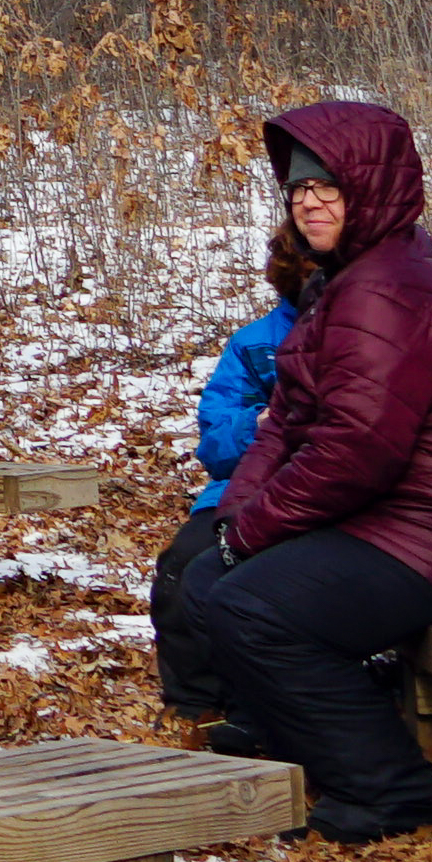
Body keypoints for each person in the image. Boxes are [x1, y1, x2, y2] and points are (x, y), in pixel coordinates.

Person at [206, 97, 432, 843]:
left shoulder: (383, 289)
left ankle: (389, 793)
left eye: (328, 186)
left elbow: (357, 451)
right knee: (213, 572)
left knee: (255, 606)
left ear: (370, 188)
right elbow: (290, 422)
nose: (309, 202)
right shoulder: (350, 276)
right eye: (299, 188)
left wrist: (253, 531)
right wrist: (238, 514)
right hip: (423, 516)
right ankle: (296, 734)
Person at [147, 220, 315, 728]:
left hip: (330, 493)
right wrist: (258, 425)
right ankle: (196, 708)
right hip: (243, 489)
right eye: (305, 271)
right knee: (182, 567)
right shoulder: (255, 344)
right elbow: (215, 446)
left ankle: (265, 706)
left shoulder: (370, 330)